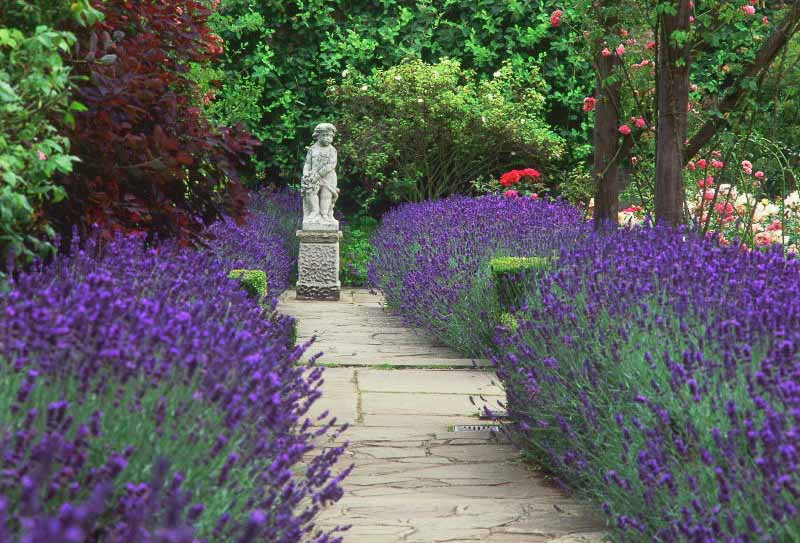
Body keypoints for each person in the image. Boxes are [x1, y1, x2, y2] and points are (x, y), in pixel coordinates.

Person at [301, 123, 339, 225]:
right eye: (324, 135)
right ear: (317, 136)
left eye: (330, 136)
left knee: (326, 195)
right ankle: (314, 212)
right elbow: (308, 163)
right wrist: (305, 174)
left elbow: (331, 165)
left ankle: (325, 214)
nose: (328, 138)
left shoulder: (332, 150)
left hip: (328, 177)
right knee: (311, 193)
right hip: (313, 177)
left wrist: (318, 175)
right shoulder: (312, 149)